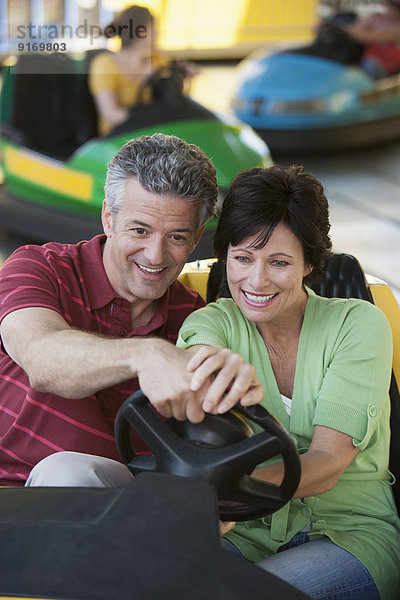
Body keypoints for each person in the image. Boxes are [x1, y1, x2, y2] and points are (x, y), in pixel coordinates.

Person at [176, 164, 400, 600]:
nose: (256, 281)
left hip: (345, 533)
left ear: (310, 263)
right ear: (225, 258)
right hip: (242, 536)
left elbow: (328, 461)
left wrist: (225, 497)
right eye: (242, 259)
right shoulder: (210, 324)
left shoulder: (357, 325)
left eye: (279, 262)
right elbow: (198, 364)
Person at [0, 133, 263, 488]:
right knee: (69, 473)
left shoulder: (196, 319)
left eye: (177, 237)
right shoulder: (40, 268)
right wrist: (146, 355)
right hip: (13, 497)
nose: (155, 256)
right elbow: (41, 358)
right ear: (109, 218)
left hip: (117, 514)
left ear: (198, 235)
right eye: (140, 230)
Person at [88, 5, 195, 135]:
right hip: (117, 136)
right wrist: (153, 114)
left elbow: (171, 100)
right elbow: (112, 115)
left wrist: (180, 78)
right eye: (154, 28)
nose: (158, 32)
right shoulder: (104, 64)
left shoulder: (158, 61)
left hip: (154, 133)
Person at [343, 0, 400, 78]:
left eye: (397, 8)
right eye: (391, 5)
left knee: (368, 66)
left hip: (385, 67)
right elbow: (354, 29)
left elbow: (365, 37)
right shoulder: (377, 17)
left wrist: (353, 32)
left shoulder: (397, 28)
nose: (393, 10)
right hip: (366, 59)